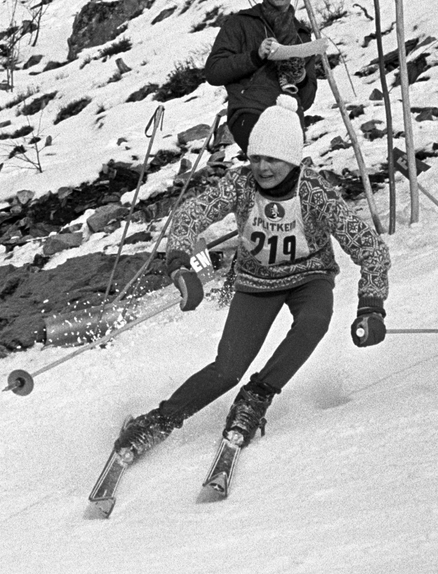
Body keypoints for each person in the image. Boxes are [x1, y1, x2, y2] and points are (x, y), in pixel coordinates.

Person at [112, 95, 390, 463]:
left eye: (272, 159)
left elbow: (369, 247)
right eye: (256, 158)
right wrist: (180, 264)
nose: (262, 167)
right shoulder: (240, 184)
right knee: (227, 369)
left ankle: (257, 396)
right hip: (257, 283)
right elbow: (191, 214)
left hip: (310, 278)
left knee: (314, 322)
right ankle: (157, 422)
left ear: (291, 158)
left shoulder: (314, 192)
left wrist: (371, 305)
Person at [204, 0, 319, 157]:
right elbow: (214, 72)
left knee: (282, 180)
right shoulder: (241, 23)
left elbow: (307, 100)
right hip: (250, 110)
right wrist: (254, 57)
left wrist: (300, 79)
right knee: (270, 161)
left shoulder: (302, 36)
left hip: (290, 117)